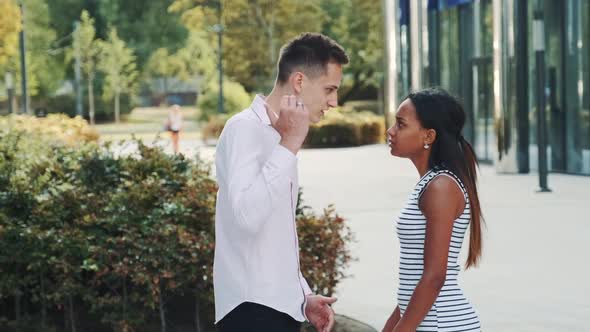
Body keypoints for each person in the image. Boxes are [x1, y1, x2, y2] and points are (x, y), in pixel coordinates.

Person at [213, 32, 349, 332]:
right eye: (329, 89)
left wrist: (303, 296)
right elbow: (247, 217)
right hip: (251, 312)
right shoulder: (244, 129)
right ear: (299, 82)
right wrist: (288, 145)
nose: (334, 101)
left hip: (277, 310)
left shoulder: (281, 136)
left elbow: (275, 238)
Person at [383, 88, 483, 332]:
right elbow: (414, 281)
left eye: (401, 124)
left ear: (428, 136)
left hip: (442, 324)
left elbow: (434, 277)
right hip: (427, 322)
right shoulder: (430, 182)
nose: (390, 131)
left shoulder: (441, 187)